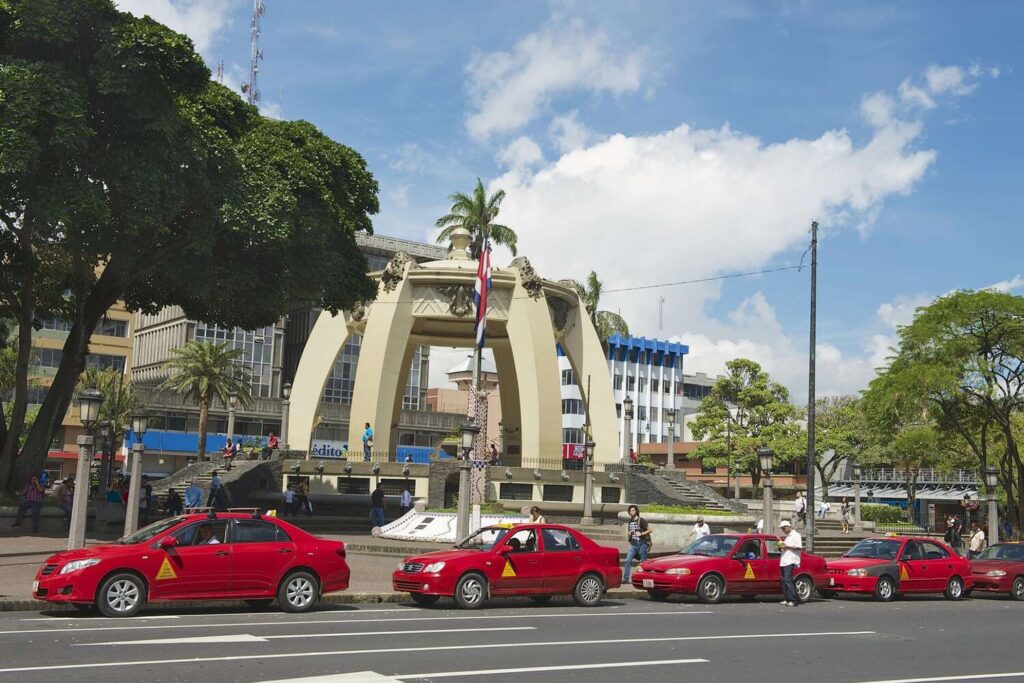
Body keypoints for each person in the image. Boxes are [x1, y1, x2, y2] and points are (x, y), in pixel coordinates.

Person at [622, 504, 651, 583]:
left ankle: (646, 578)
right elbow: (629, 531)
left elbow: (650, 530)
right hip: (633, 544)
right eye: (630, 511)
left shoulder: (641, 520)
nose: (631, 512)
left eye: (633, 510)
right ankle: (626, 578)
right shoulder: (630, 520)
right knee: (627, 560)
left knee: (644, 561)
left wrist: (641, 534)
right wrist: (629, 533)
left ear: (636, 511)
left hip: (642, 544)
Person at [778, 519, 802, 607]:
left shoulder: (796, 535)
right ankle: (787, 598)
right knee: (783, 581)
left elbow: (799, 547)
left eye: (784, 528)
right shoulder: (787, 536)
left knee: (788, 580)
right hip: (784, 560)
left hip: (791, 560)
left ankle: (793, 599)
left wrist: (787, 546)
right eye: (782, 529)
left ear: (788, 527)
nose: (783, 530)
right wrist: (782, 547)